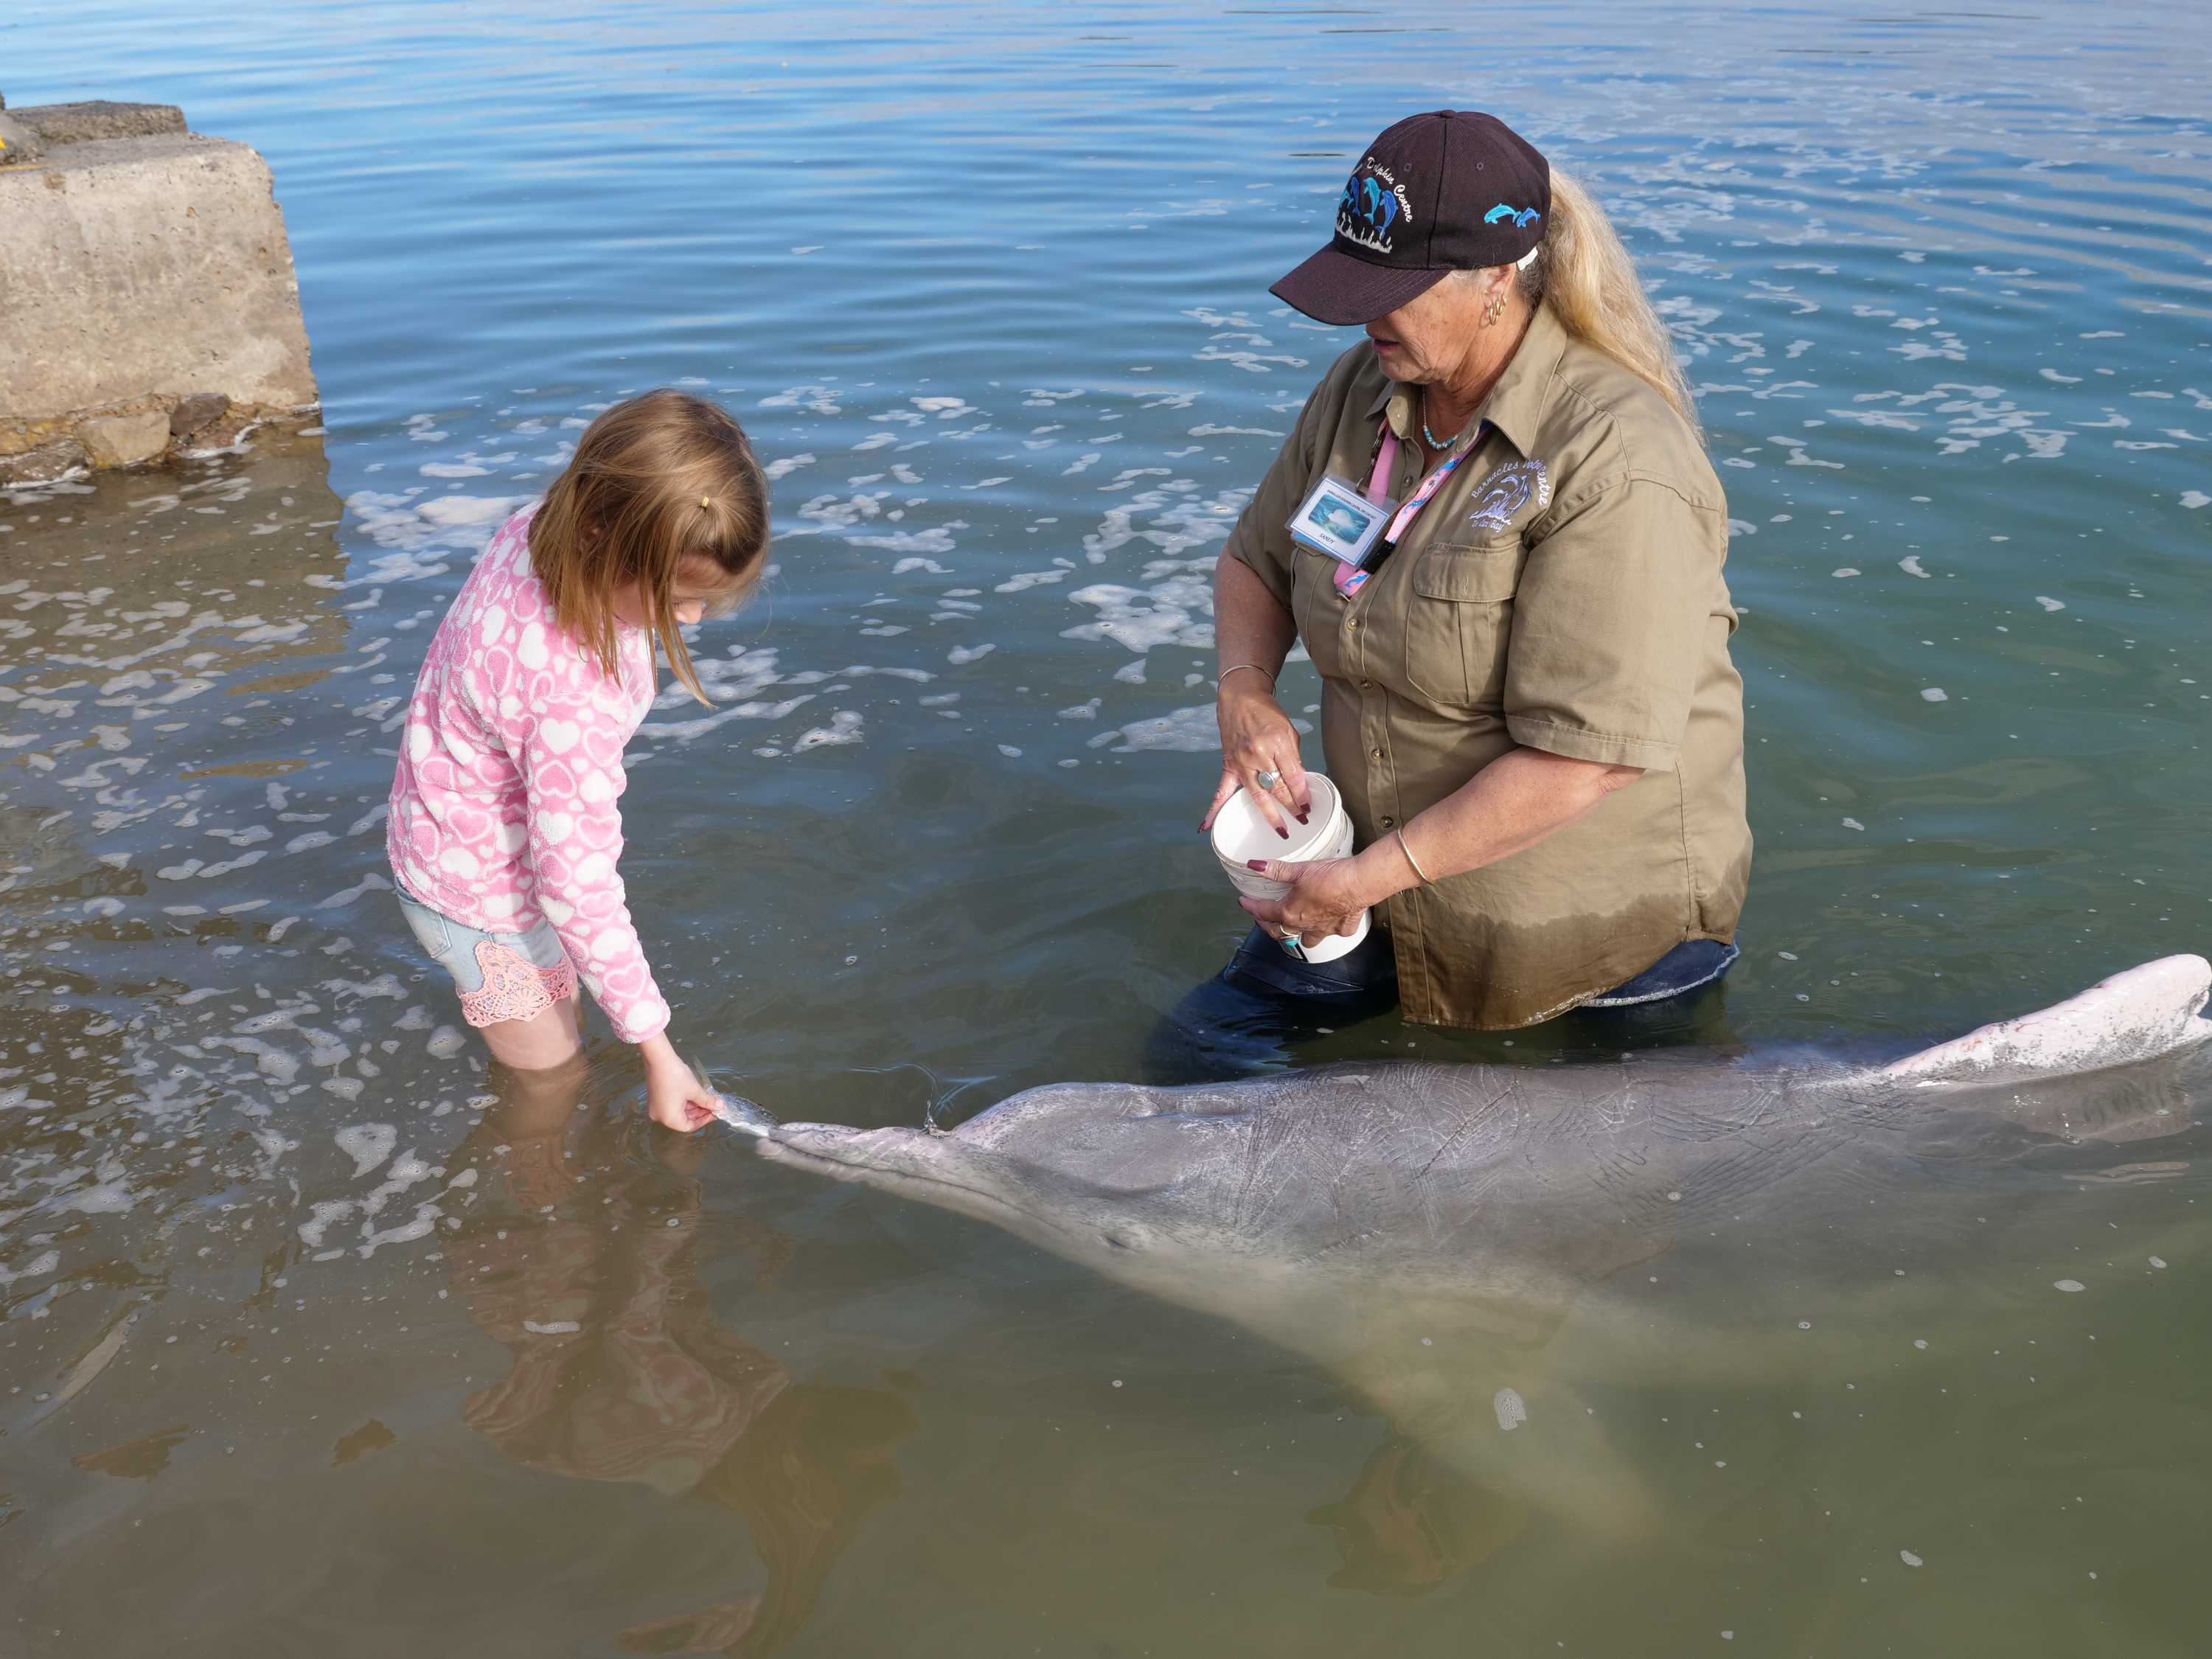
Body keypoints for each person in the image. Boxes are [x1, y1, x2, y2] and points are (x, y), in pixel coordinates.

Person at [1197, 110, 1750, 1037]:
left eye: (1394, 290)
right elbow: (1253, 561)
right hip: (1371, 884)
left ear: (1499, 276)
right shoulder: (1361, 388)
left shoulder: (1618, 459)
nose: (1364, 315)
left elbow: (1590, 754)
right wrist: (1245, 696)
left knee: (1608, 1177)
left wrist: (1359, 883)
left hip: (1588, 928)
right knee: (1200, 1059)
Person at [388, 389, 769, 1131]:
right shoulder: (571, 694)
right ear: (604, 533)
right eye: (672, 596)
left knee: (563, 1022)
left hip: (442, 826)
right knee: (551, 1080)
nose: (688, 620)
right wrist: (660, 1054)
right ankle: (539, 1228)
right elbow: (577, 884)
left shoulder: (536, 530)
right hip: (474, 898)